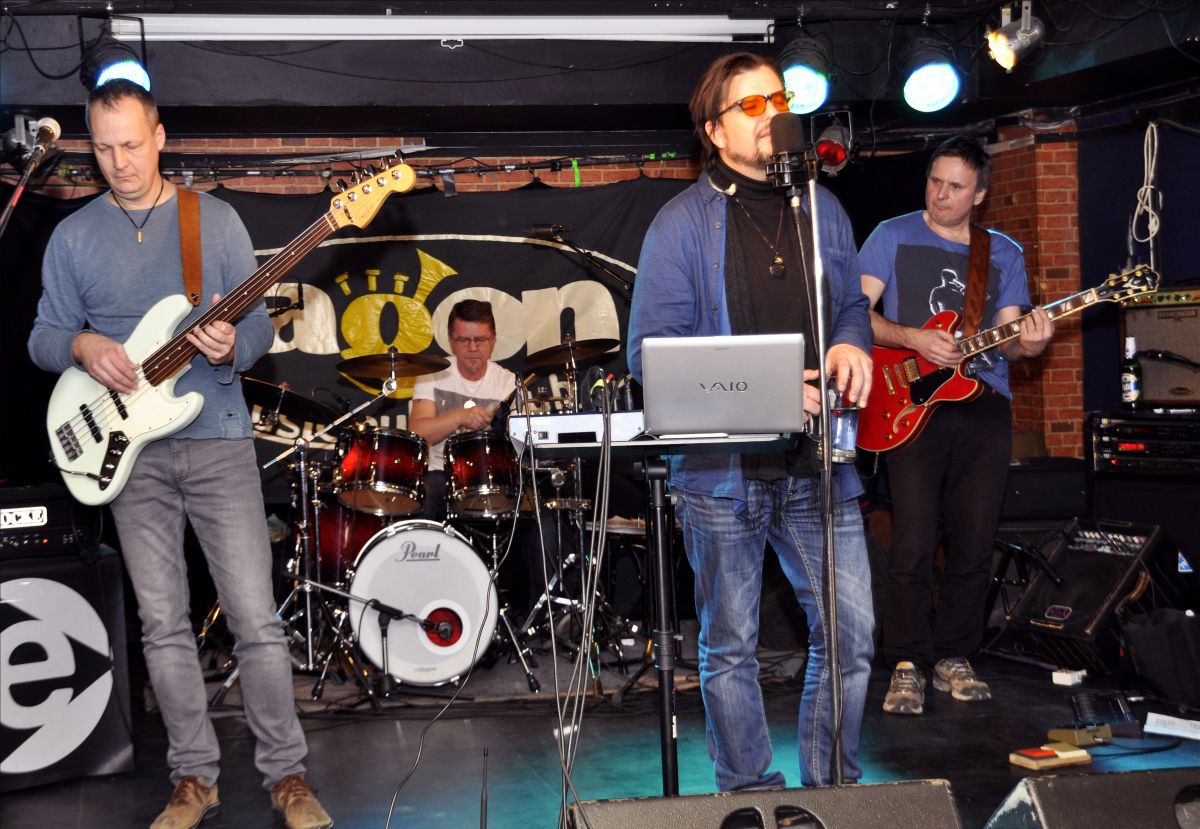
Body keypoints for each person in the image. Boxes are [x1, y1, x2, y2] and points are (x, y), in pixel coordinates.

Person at [28, 80, 331, 829]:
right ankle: (193, 777)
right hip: (126, 454)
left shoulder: (212, 220)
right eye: (104, 149)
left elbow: (256, 327)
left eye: (132, 145)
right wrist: (83, 345)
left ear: (160, 137)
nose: (120, 162)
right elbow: (43, 336)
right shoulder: (73, 237)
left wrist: (233, 345)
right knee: (162, 624)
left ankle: (288, 776)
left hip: (217, 439)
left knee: (255, 619)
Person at [627, 52, 876, 790]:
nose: (774, 115)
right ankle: (751, 793)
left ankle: (834, 791)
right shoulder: (680, 224)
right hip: (721, 476)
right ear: (715, 130)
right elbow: (652, 357)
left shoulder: (823, 209)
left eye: (780, 99)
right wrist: (767, 391)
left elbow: (851, 305)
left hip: (819, 463)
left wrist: (852, 342)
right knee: (730, 646)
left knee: (852, 636)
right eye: (753, 105)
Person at [858, 135, 1053, 716]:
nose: (941, 195)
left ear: (980, 194)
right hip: (910, 402)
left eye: (955, 187)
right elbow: (854, 316)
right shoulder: (891, 235)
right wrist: (913, 338)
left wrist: (1031, 344)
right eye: (935, 181)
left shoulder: (1002, 253)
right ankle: (906, 662)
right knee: (913, 539)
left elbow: (1011, 339)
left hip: (982, 400)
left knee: (974, 538)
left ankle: (954, 655)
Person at [409, 298, 517, 520]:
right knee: (425, 497)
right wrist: (460, 416)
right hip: (441, 473)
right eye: (464, 339)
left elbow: (520, 444)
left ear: (493, 339)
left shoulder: (508, 383)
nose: (473, 348)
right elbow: (417, 433)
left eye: (480, 339)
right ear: (451, 340)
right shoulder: (432, 375)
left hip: (492, 477)